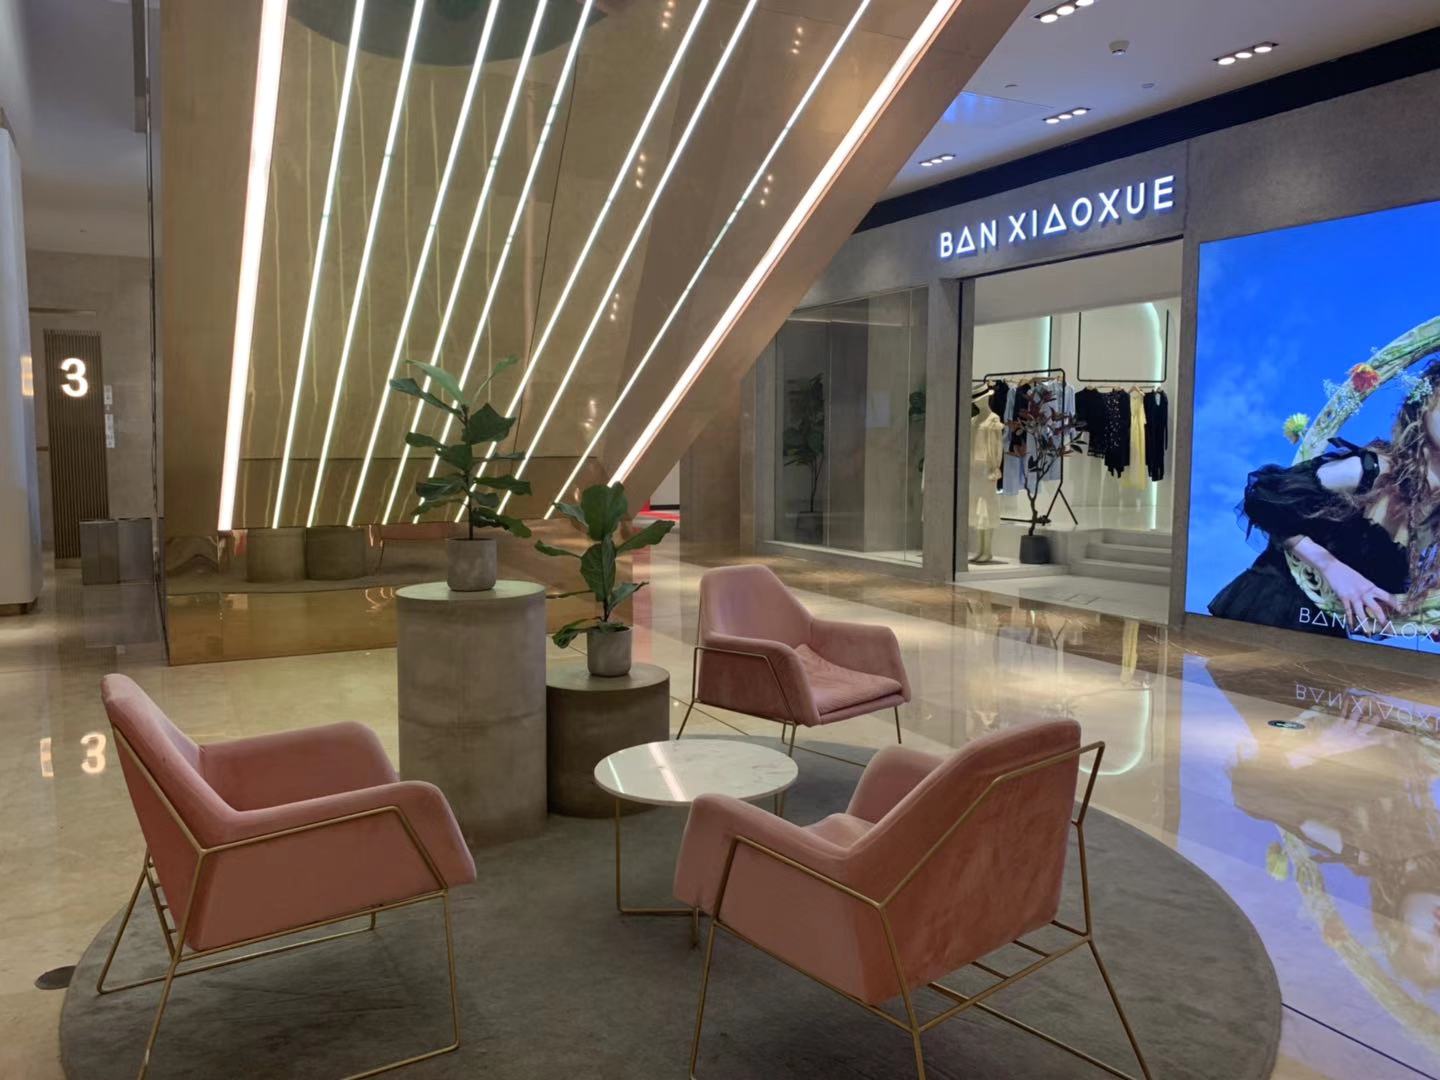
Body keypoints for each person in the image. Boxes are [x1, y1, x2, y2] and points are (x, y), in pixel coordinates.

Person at [1209, 357, 1440, 638]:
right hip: (1269, 609)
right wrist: (1330, 566)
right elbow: (1265, 499)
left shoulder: (1435, 516)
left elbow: (1374, 605)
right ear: (1423, 406)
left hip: (1324, 637)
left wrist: (1424, 618)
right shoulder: (1372, 470)